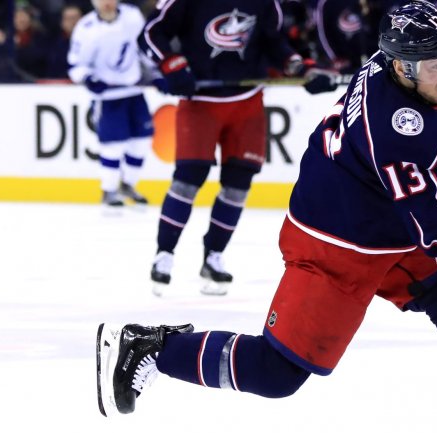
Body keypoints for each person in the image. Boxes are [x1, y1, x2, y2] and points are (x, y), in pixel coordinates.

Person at [97, 0, 437, 433]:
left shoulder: (429, 54)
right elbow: (436, 222)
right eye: (434, 65)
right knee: (276, 373)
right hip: (336, 239)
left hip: (393, 222)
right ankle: (152, 348)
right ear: (400, 69)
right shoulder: (393, 126)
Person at [138, 0, 338, 296]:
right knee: (188, 179)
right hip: (201, 101)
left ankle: (214, 257)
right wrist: (172, 64)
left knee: (237, 185)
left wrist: (302, 69)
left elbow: (275, 43)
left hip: (247, 103)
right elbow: (151, 33)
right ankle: (164, 253)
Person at [67, 0, 154, 210]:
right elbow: (75, 64)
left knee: (142, 140)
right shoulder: (86, 27)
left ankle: (128, 185)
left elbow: (144, 47)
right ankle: (108, 190)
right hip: (108, 97)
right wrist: (88, 79)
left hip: (134, 90)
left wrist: (155, 72)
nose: (106, 2)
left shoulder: (132, 16)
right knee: (113, 145)